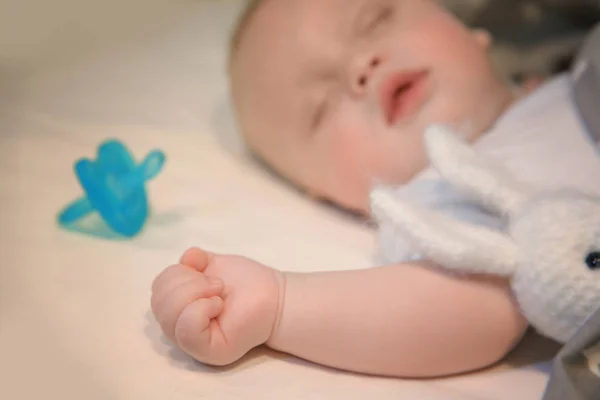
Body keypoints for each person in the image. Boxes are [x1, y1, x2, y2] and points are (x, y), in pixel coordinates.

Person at [150, 0, 600, 378]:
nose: (359, 68)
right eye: (321, 108)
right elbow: (456, 309)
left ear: (472, 31)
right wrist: (279, 303)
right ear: (329, 195)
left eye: (375, 21)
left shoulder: (572, 70)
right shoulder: (440, 200)